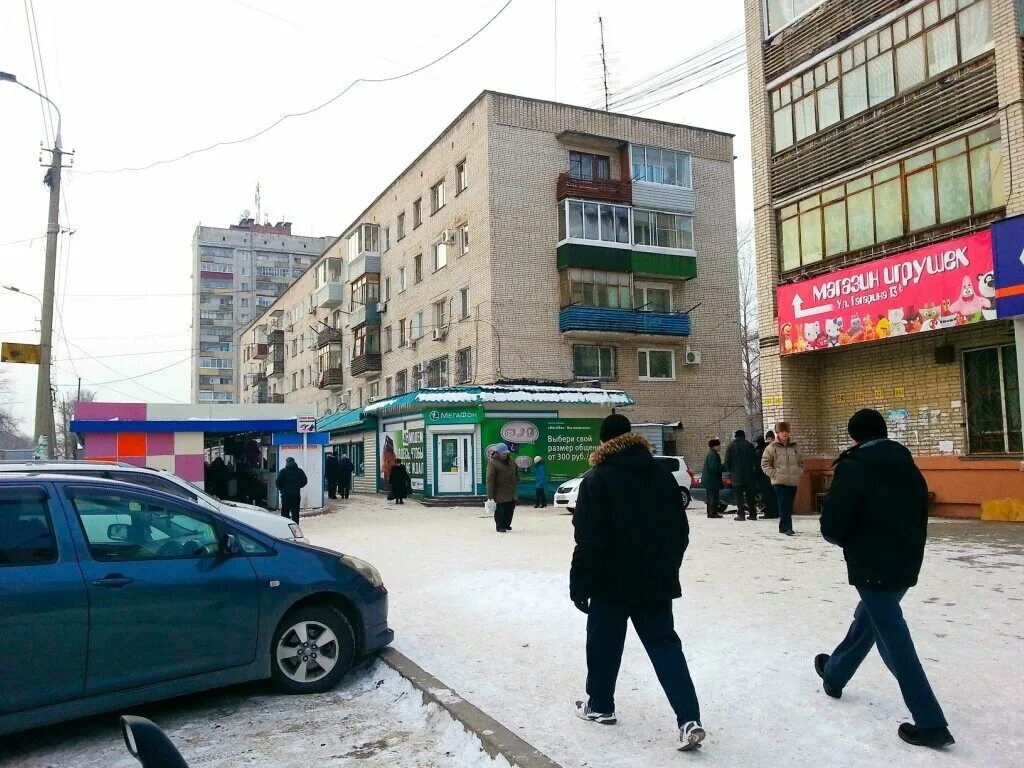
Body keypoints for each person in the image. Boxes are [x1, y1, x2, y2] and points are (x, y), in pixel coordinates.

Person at [816, 409, 953, 750]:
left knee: (893, 639)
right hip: (905, 561)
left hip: (870, 563)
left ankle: (931, 722)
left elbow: (834, 523)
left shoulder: (853, 467)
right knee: (870, 619)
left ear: (854, 436)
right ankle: (834, 674)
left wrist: (843, 538)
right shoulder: (907, 465)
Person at [570, 414, 706, 752]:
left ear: (604, 443)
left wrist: (580, 584)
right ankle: (689, 718)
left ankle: (600, 705)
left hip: (610, 583)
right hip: (655, 582)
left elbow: (589, 540)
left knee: (603, 644)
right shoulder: (660, 477)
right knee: (665, 646)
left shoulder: (597, 480)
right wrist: (666, 567)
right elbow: (680, 532)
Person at [761, 423, 805, 536]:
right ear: (778, 433)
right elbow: (765, 464)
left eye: (786, 431)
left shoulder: (794, 447)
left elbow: (801, 462)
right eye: (782, 431)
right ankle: (787, 527)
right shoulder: (771, 447)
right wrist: (774, 474)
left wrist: (799, 472)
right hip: (780, 481)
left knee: (789, 504)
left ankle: (783, 527)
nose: (784, 433)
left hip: (793, 480)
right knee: (783, 504)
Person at [724, 429, 758, 521]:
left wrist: (731, 471)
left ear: (736, 436)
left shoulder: (731, 446)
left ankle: (741, 515)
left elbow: (727, 462)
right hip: (749, 476)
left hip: (736, 476)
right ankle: (753, 514)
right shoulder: (749, 445)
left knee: (739, 497)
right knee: (750, 496)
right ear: (744, 436)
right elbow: (755, 459)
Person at [486, 443, 520, 532]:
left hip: (511, 490)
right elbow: (490, 479)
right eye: (503, 453)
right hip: (500, 491)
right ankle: (500, 526)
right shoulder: (493, 463)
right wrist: (490, 495)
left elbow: (516, 470)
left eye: (506, 453)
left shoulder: (511, 460)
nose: (505, 455)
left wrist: (517, 479)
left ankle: (507, 524)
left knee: (510, 508)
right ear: (497, 453)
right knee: (501, 509)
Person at [754, 431, 780, 520]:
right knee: (772, 494)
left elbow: (759, 465)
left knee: (767, 495)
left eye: (771, 439)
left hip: (765, 476)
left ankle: (770, 512)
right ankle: (774, 512)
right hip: (771, 475)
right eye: (768, 439)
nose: (769, 441)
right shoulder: (769, 449)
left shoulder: (761, 451)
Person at [275, 457, 308, 525]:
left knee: (285, 512)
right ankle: (295, 527)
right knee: (295, 513)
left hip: (285, 495)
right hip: (296, 495)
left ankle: (285, 526)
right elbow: (305, 481)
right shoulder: (299, 471)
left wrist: (282, 489)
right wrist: (298, 486)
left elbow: (277, 482)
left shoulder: (283, 471)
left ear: (287, 463)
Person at [701, 438, 724, 519]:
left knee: (712, 497)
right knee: (712, 497)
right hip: (712, 480)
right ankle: (712, 513)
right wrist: (723, 467)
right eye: (718, 445)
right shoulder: (713, 455)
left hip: (711, 480)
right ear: (714, 446)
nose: (720, 447)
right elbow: (714, 467)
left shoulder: (711, 454)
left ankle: (712, 512)